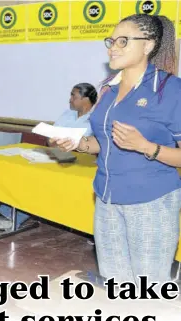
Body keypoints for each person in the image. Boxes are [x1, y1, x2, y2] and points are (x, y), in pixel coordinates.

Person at [54, 14, 181, 285]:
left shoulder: (170, 90)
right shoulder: (107, 89)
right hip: (106, 199)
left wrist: (147, 147)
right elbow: (107, 142)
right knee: (116, 284)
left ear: (147, 45)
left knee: (149, 288)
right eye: (111, 41)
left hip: (151, 202)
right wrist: (80, 143)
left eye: (123, 41)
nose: (113, 47)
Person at [0, 83, 98, 231]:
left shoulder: (96, 118)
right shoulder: (67, 114)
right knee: (26, 172)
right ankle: (6, 213)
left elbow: (94, 147)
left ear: (86, 99)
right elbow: (51, 137)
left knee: (41, 181)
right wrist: (51, 141)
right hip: (57, 156)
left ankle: (7, 218)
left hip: (79, 164)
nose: (70, 99)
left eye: (74, 96)